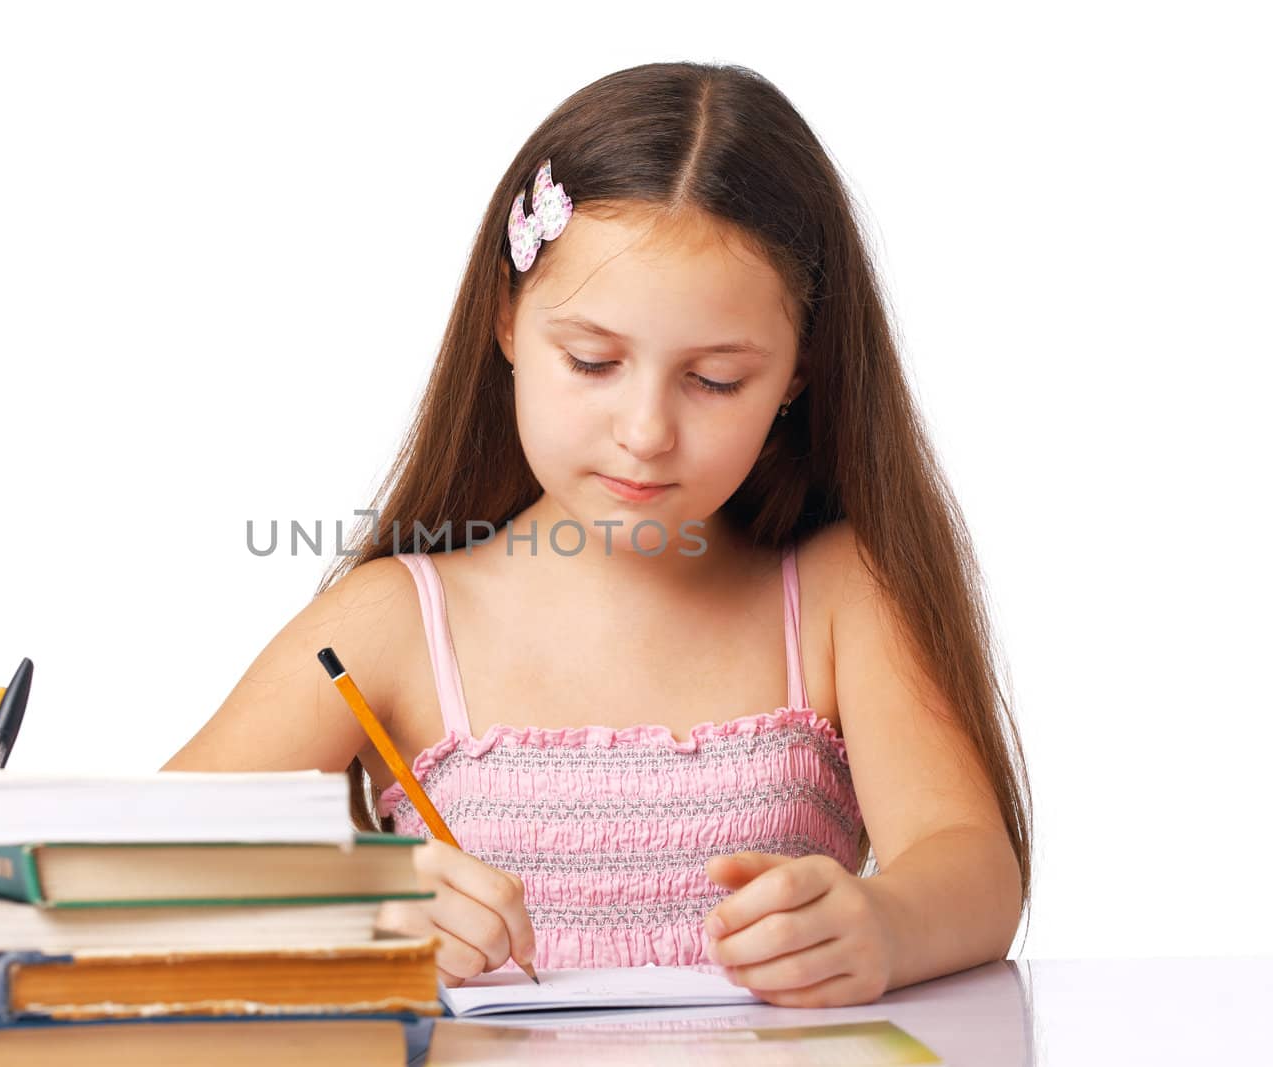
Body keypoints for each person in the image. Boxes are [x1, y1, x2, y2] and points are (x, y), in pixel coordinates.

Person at [164, 61, 1032, 1009]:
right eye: (592, 361)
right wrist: (344, 904)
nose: (646, 430)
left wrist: (886, 923)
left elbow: (975, 867)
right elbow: (113, 865)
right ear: (505, 317)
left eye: (715, 380)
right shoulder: (395, 623)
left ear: (798, 374)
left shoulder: (835, 595)